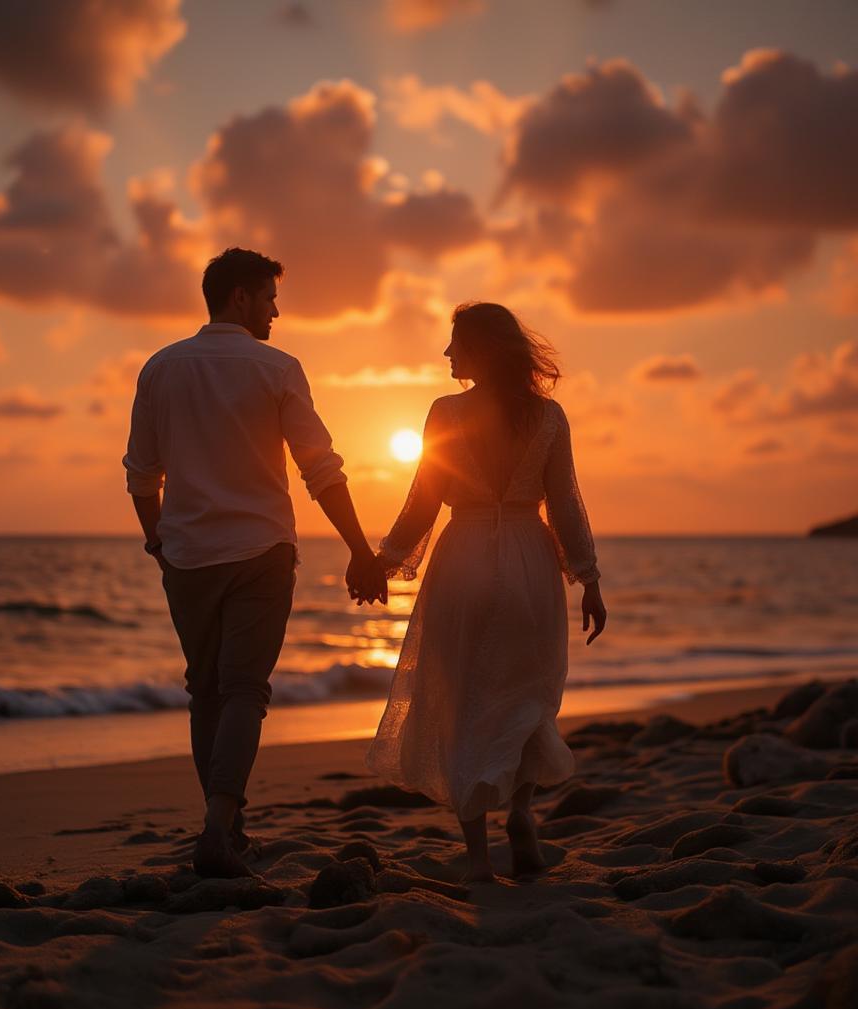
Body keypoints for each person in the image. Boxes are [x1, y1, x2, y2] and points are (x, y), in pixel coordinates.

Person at [123, 248, 386, 879]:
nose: (275, 312)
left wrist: (159, 544)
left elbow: (140, 476)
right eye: (269, 299)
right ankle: (220, 827)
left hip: (187, 555)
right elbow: (320, 469)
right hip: (263, 551)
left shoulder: (160, 368)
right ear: (240, 297)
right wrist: (359, 549)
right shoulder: (277, 367)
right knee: (244, 689)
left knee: (205, 690)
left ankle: (226, 826)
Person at [366, 301, 607, 883]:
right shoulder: (548, 417)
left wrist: (384, 561)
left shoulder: (445, 412)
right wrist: (590, 578)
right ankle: (521, 812)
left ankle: (477, 856)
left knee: (460, 701)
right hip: (530, 560)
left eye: (456, 343)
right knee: (528, 696)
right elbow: (567, 506)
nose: (447, 354)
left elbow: (424, 501)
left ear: (480, 350)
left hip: (465, 558)